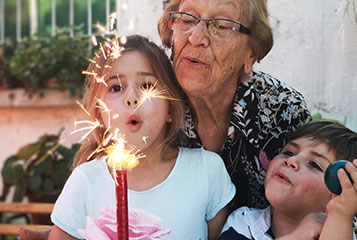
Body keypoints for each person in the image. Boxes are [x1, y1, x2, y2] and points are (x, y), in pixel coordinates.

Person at [48, 35, 235, 240]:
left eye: (146, 86)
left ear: (170, 108)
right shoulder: (85, 182)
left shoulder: (207, 172)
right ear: (99, 112)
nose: (132, 98)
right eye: (116, 87)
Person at [158, 0, 312, 211]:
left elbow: (316, 207)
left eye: (221, 25)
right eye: (187, 19)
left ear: (250, 53)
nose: (195, 38)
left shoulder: (282, 109)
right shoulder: (148, 101)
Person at [219, 120, 357, 239]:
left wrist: (340, 213)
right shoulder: (244, 222)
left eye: (313, 164)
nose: (291, 160)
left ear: (337, 192)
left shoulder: (339, 233)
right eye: (288, 152)